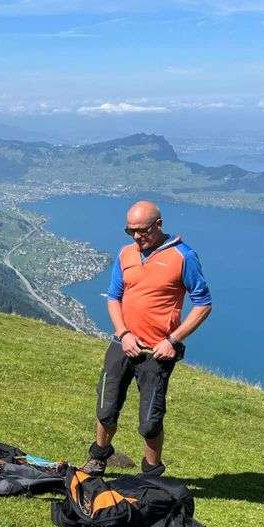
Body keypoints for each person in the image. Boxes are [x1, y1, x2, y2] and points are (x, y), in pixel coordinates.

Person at [80, 201, 212, 477]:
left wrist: (172, 340)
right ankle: (98, 458)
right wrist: (123, 333)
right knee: (106, 408)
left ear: (159, 225)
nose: (137, 237)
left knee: (150, 421)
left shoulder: (183, 256)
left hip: (156, 353)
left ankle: (151, 475)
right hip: (122, 345)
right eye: (131, 231)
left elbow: (203, 304)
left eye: (143, 230)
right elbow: (114, 297)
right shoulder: (125, 254)